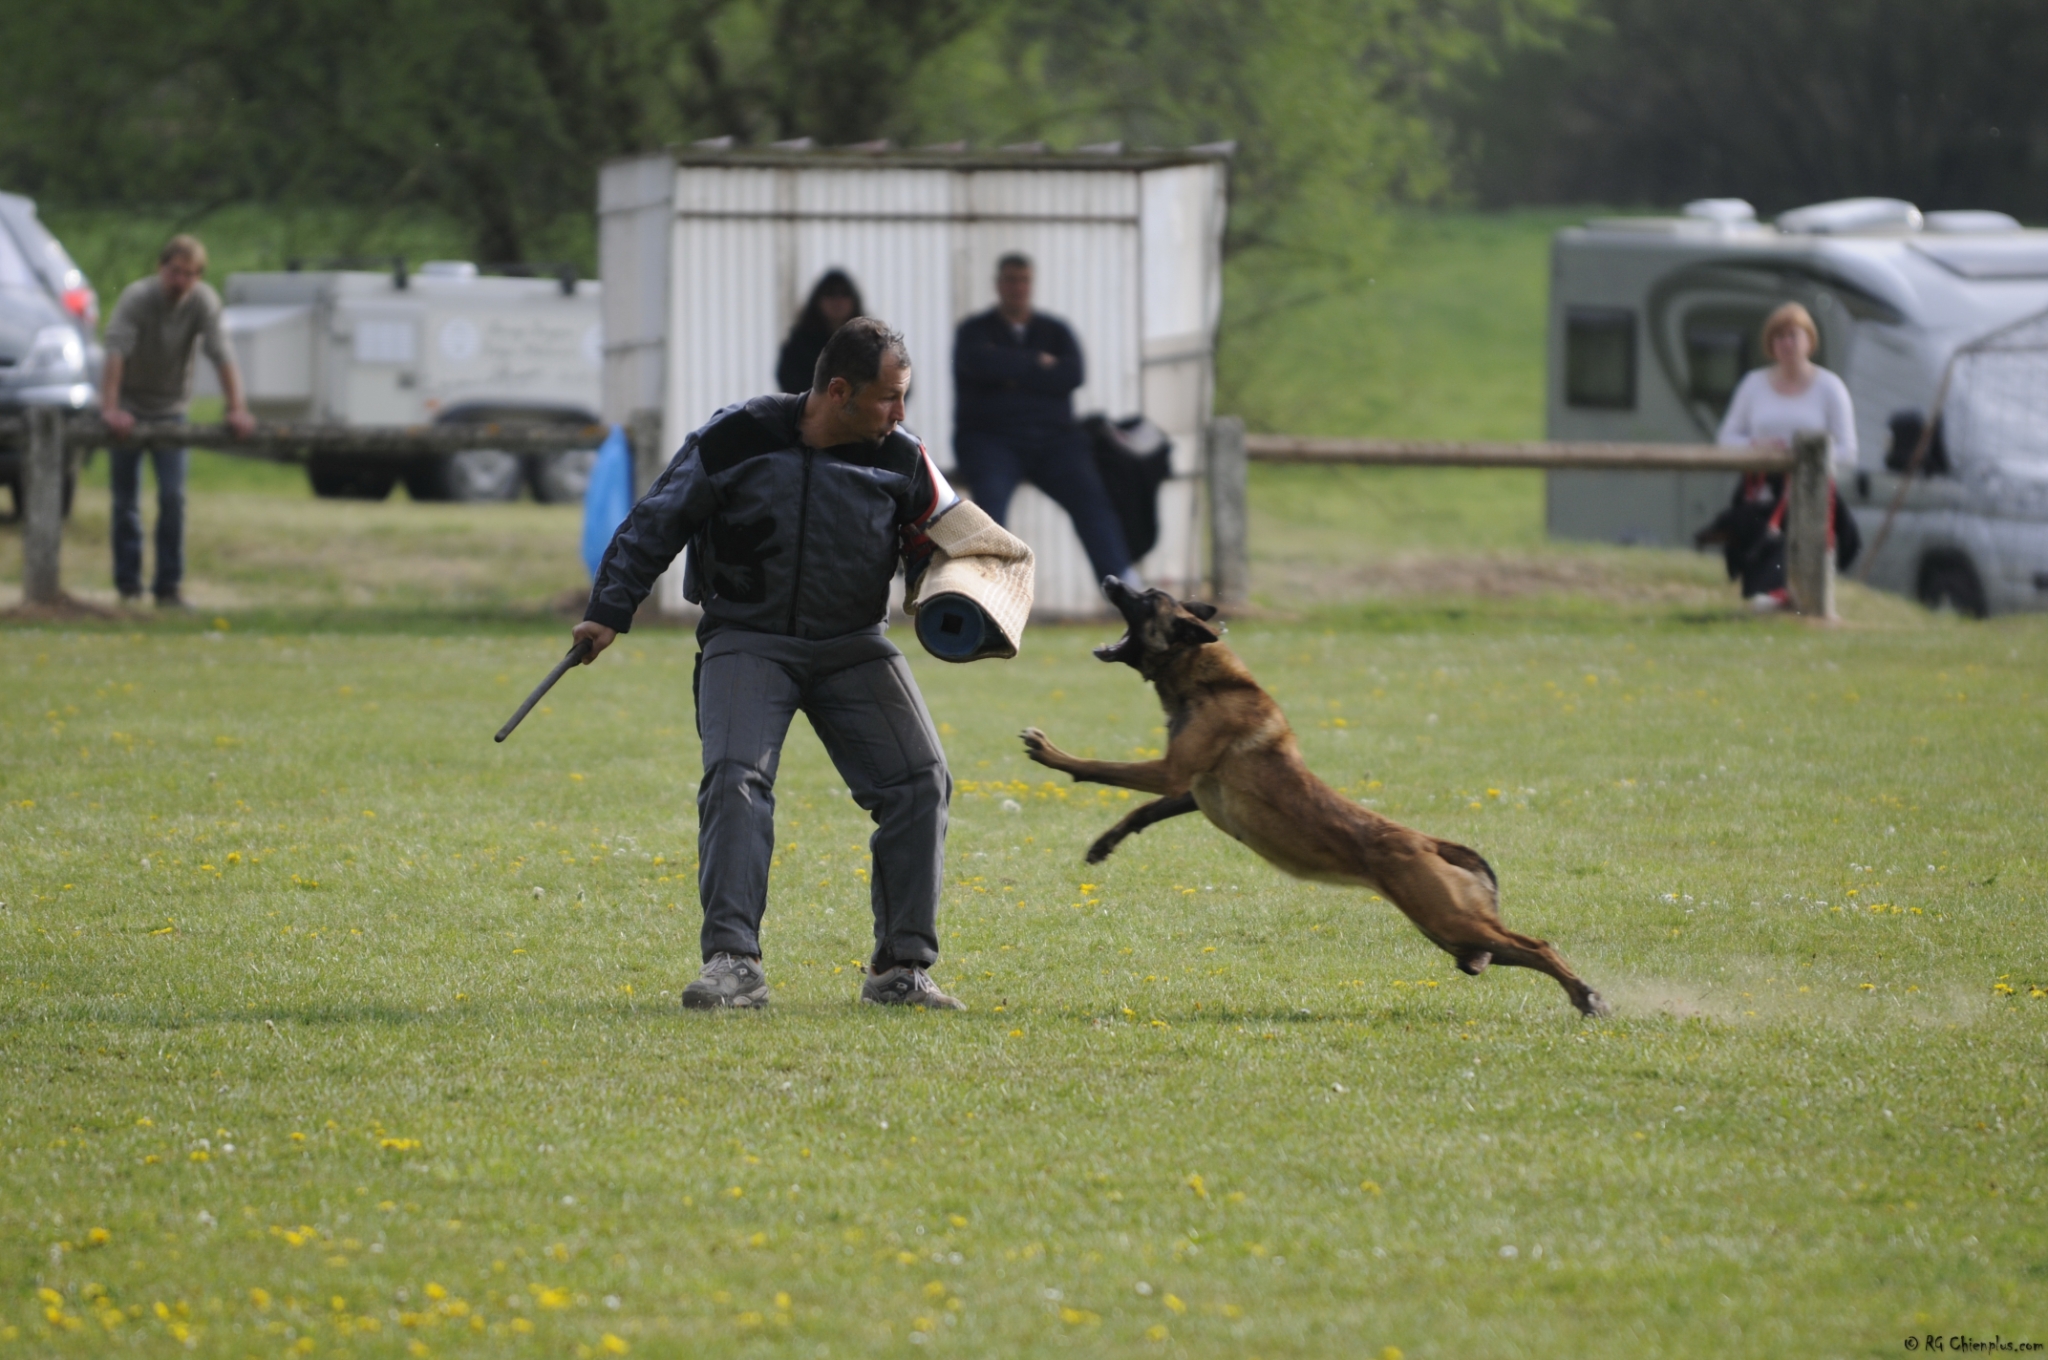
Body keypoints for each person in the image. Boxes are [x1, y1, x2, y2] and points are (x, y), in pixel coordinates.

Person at [573, 318, 968, 1011]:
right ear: (839, 391)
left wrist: (956, 588)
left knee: (919, 780)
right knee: (736, 777)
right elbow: (657, 520)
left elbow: (953, 535)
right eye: (888, 398)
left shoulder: (904, 459)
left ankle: (901, 971)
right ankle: (734, 965)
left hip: (853, 644)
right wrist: (610, 608)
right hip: (747, 638)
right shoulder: (736, 437)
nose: (901, 414)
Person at [953, 253, 1139, 590]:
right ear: (998, 285)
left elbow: (1072, 374)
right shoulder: (975, 330)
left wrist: (1009, 371)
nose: (1017, 287)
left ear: (1031, 284)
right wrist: (1037, 364)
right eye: (1010, 280)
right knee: (988, 508)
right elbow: (977, 365)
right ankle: (983, 588)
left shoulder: (1055, 331)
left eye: (1023, 280)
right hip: (992, 439)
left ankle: (1122, 585)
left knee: (1091, 498)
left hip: (1053, 441)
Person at [99, 234, 255, 607]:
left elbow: (222, 353)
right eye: (174, 271)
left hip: (171, 410)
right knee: (125, 503)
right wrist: (110, 407)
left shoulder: (203, 302)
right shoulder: (137, 298)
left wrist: (237, 407)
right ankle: (128, 588)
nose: (179, 281)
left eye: (189, 274)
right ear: (160, 268)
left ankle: (168, 588)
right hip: (129, 408)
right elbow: (115, 349)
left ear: (198, 277)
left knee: (172, 498)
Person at [1703, 302, 1860, 607]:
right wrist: (1755, 448)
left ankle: (1796, 600)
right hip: (1760, 485)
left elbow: (1848, 451)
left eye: (1792, 335)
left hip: (1810, 487)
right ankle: (1766, 595)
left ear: (1809, 340)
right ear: (1770, 345)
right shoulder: (1753, 385)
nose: (1786, 343)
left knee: (1799, 530)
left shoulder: (1830, 387)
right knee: (1754, 526)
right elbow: (1726, 438)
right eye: (1778, 337)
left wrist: (1802, 458)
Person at [776, 270, 863, 394]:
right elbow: (789, 380)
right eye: (830, 293)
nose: (837, 301)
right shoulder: (800, 343)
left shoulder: (867, 341)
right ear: (818, 301)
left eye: (844, 294)